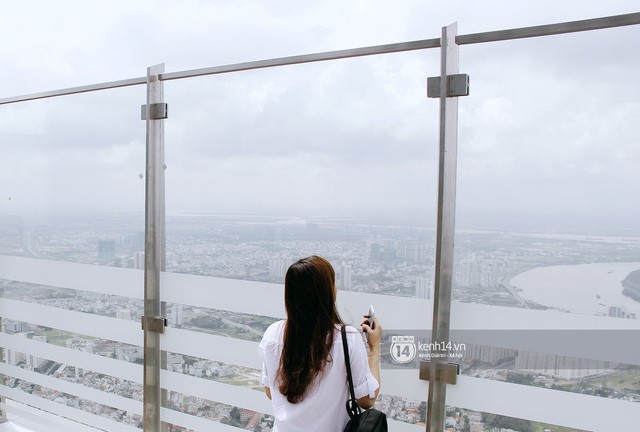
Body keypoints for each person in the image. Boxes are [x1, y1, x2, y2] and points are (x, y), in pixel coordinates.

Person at [258, 255, 382, 432]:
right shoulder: (347, 338)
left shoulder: (273, 334)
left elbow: (271, 392)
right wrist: (374, 349)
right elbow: (367, 400)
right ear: (327, 292)